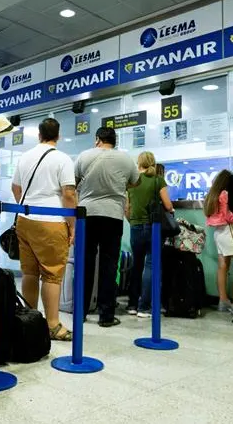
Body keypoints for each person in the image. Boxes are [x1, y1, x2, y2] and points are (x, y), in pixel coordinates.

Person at [12, 118, 76, 341]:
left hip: (25, 220)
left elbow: (16, 187)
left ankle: (31, 320)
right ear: (58, 136)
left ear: (39, 135)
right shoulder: (63, 159)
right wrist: (72, 225)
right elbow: (69, 194)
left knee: (29, 272)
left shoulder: (25, 157)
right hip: (52, 221)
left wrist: (26, 206)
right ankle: (52, 325)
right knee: (52, 274)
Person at [75, 127, 140, 327]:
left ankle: (81, 312)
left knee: (85, 263)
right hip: (113, 215)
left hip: (87, 214)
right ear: (115, 141)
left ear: (97, 140)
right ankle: (106, 316)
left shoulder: (84, 156)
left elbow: (74, 182)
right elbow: (135, 182)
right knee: (110, 265)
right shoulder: (126, 159)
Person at [125, 151, 172, 318]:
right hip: (153, 227)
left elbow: (127, 208)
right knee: (150, 266)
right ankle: (144, 307)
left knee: (136, 265)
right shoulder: (158, 180)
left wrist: (133, 222)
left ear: (139, 163)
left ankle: (131, 304)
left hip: (135, 227)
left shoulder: (132, 182)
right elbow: (168, 205)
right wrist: (171, 210)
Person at [203, 170, 233, 315]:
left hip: (218, 233)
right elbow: (231, 216)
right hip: (229, 231)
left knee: (222, 267)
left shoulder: (213, 196)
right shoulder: (226, 195)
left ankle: (223, 301)